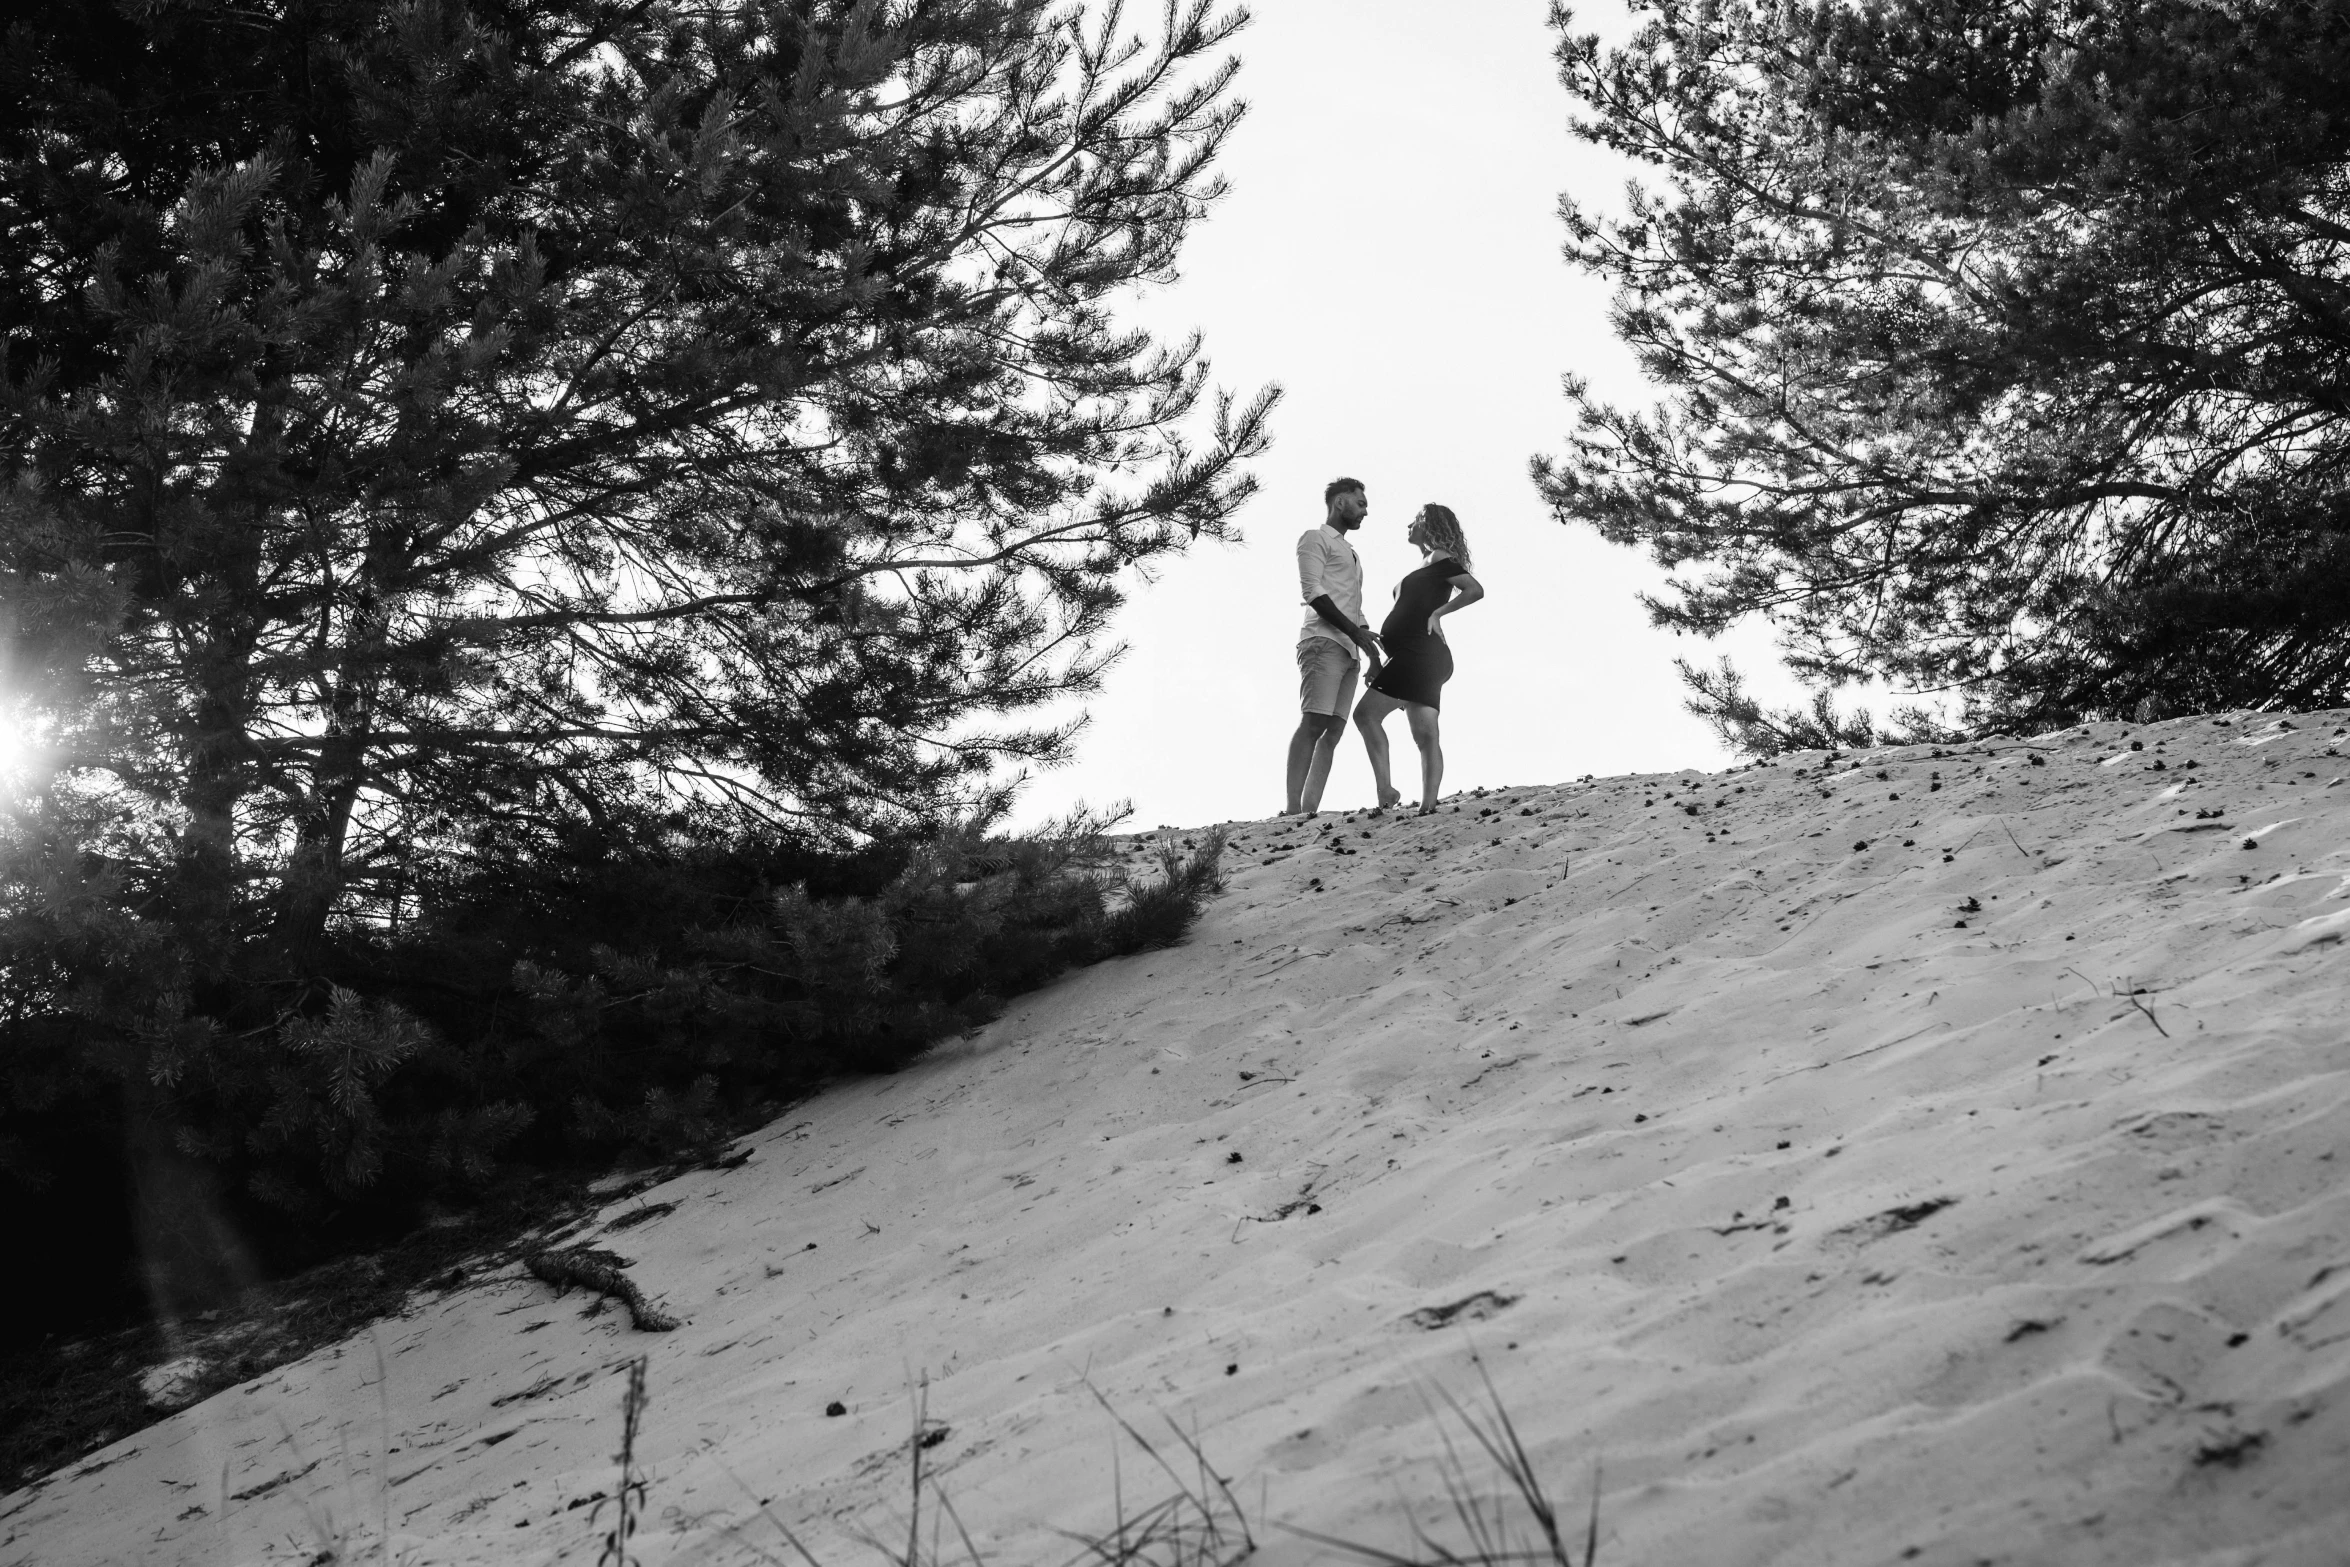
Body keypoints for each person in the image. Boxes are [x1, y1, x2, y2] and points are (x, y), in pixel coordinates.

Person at [1353, 504, 1483, 814]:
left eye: (1415, 521)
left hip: (1420, 655)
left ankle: (1386, 790)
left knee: (1366, 716)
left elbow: (1474, 590)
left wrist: (1439, 613)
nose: (1409, 525)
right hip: (1418, 657)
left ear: (1429, 525)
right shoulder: (1428, 563)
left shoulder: (1438, 558)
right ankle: (1427, 807)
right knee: (1425, 734)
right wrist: (1381, 662)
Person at [1286, 477, 1383, 815]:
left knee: (1334, 731)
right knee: (1313, 723)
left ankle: (1308, 811)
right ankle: (1291, 808)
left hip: (1349, 650)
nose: (1365, 512)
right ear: (1340, 502)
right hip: (1322, 641)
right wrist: (1355, 635)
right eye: (1361, 504)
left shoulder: (1352, 554)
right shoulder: (1315, 538)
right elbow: (1312, 591)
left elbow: (1355, 607)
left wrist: (1372, 654)